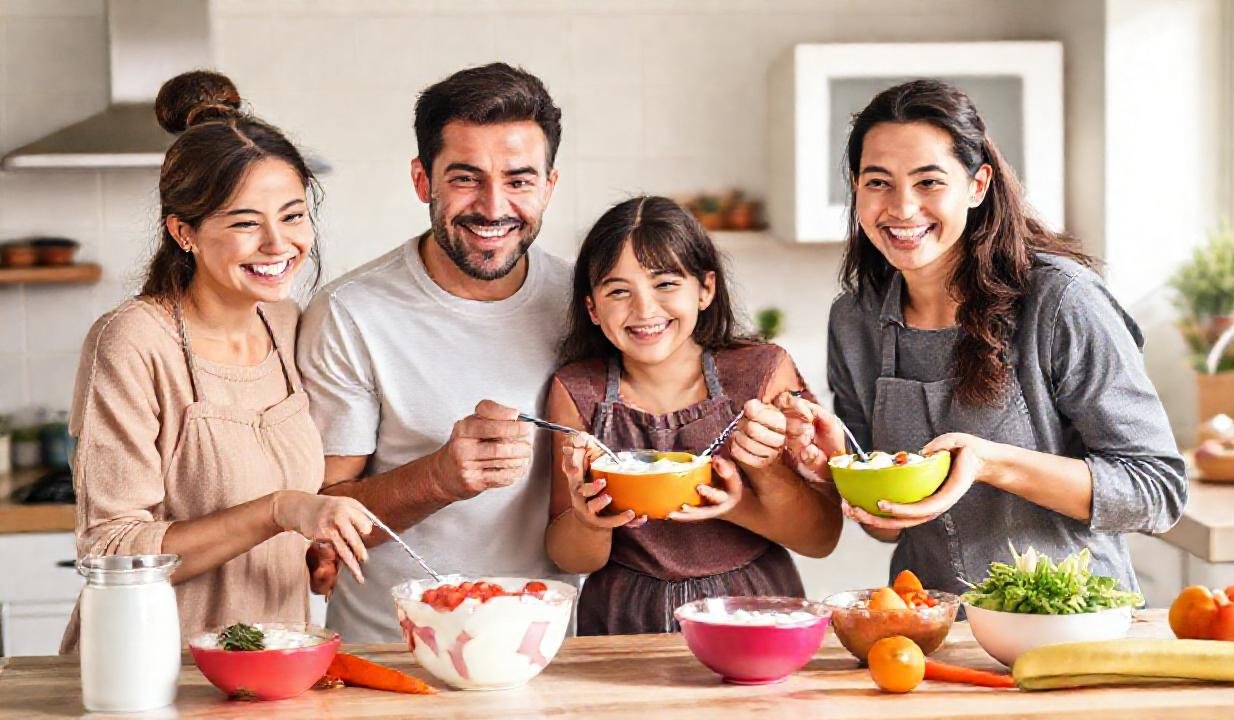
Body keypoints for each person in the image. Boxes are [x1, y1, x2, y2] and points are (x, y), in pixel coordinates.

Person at [781, 79, 1187, 597]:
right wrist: (837, 461)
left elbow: (1157, 491)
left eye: (929, 182)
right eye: (878, 182)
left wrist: (991, 463)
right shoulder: (855, 320)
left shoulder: (1060, 301)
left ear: (977, 185)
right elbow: (888, 527)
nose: (902, 208)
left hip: (1070, 625)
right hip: (932, 627)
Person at [61, 71, 372, 652]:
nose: (279, 244)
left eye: (293, 215)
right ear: (184, 232)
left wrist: (308, 544)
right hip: (152, 671)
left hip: (270, 667)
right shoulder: (132, 342)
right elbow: (109, 549)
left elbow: (273, 501)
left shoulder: (284, 323)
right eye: (245, 223)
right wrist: (280, 512)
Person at [297, 63, 573, 642]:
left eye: (520, 181)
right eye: (466, 178)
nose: (494, 207)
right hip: (390, 653)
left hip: (544, 651)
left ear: (549, 186)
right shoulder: (350, 312)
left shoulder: (588, 305)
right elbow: (320, 521)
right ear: (423, 180)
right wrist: (442, 477)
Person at [545, 196, 842, 634]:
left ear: (705, 289)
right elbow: (568, 556)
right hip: (622, 620)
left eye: (665, 284)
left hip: (751, 608)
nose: (644, 310)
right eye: (618, 290)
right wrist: (589, 521)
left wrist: (738, 502)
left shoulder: (761, 373)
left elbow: (821, 538)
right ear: (592, 308)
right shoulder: (576, 391)